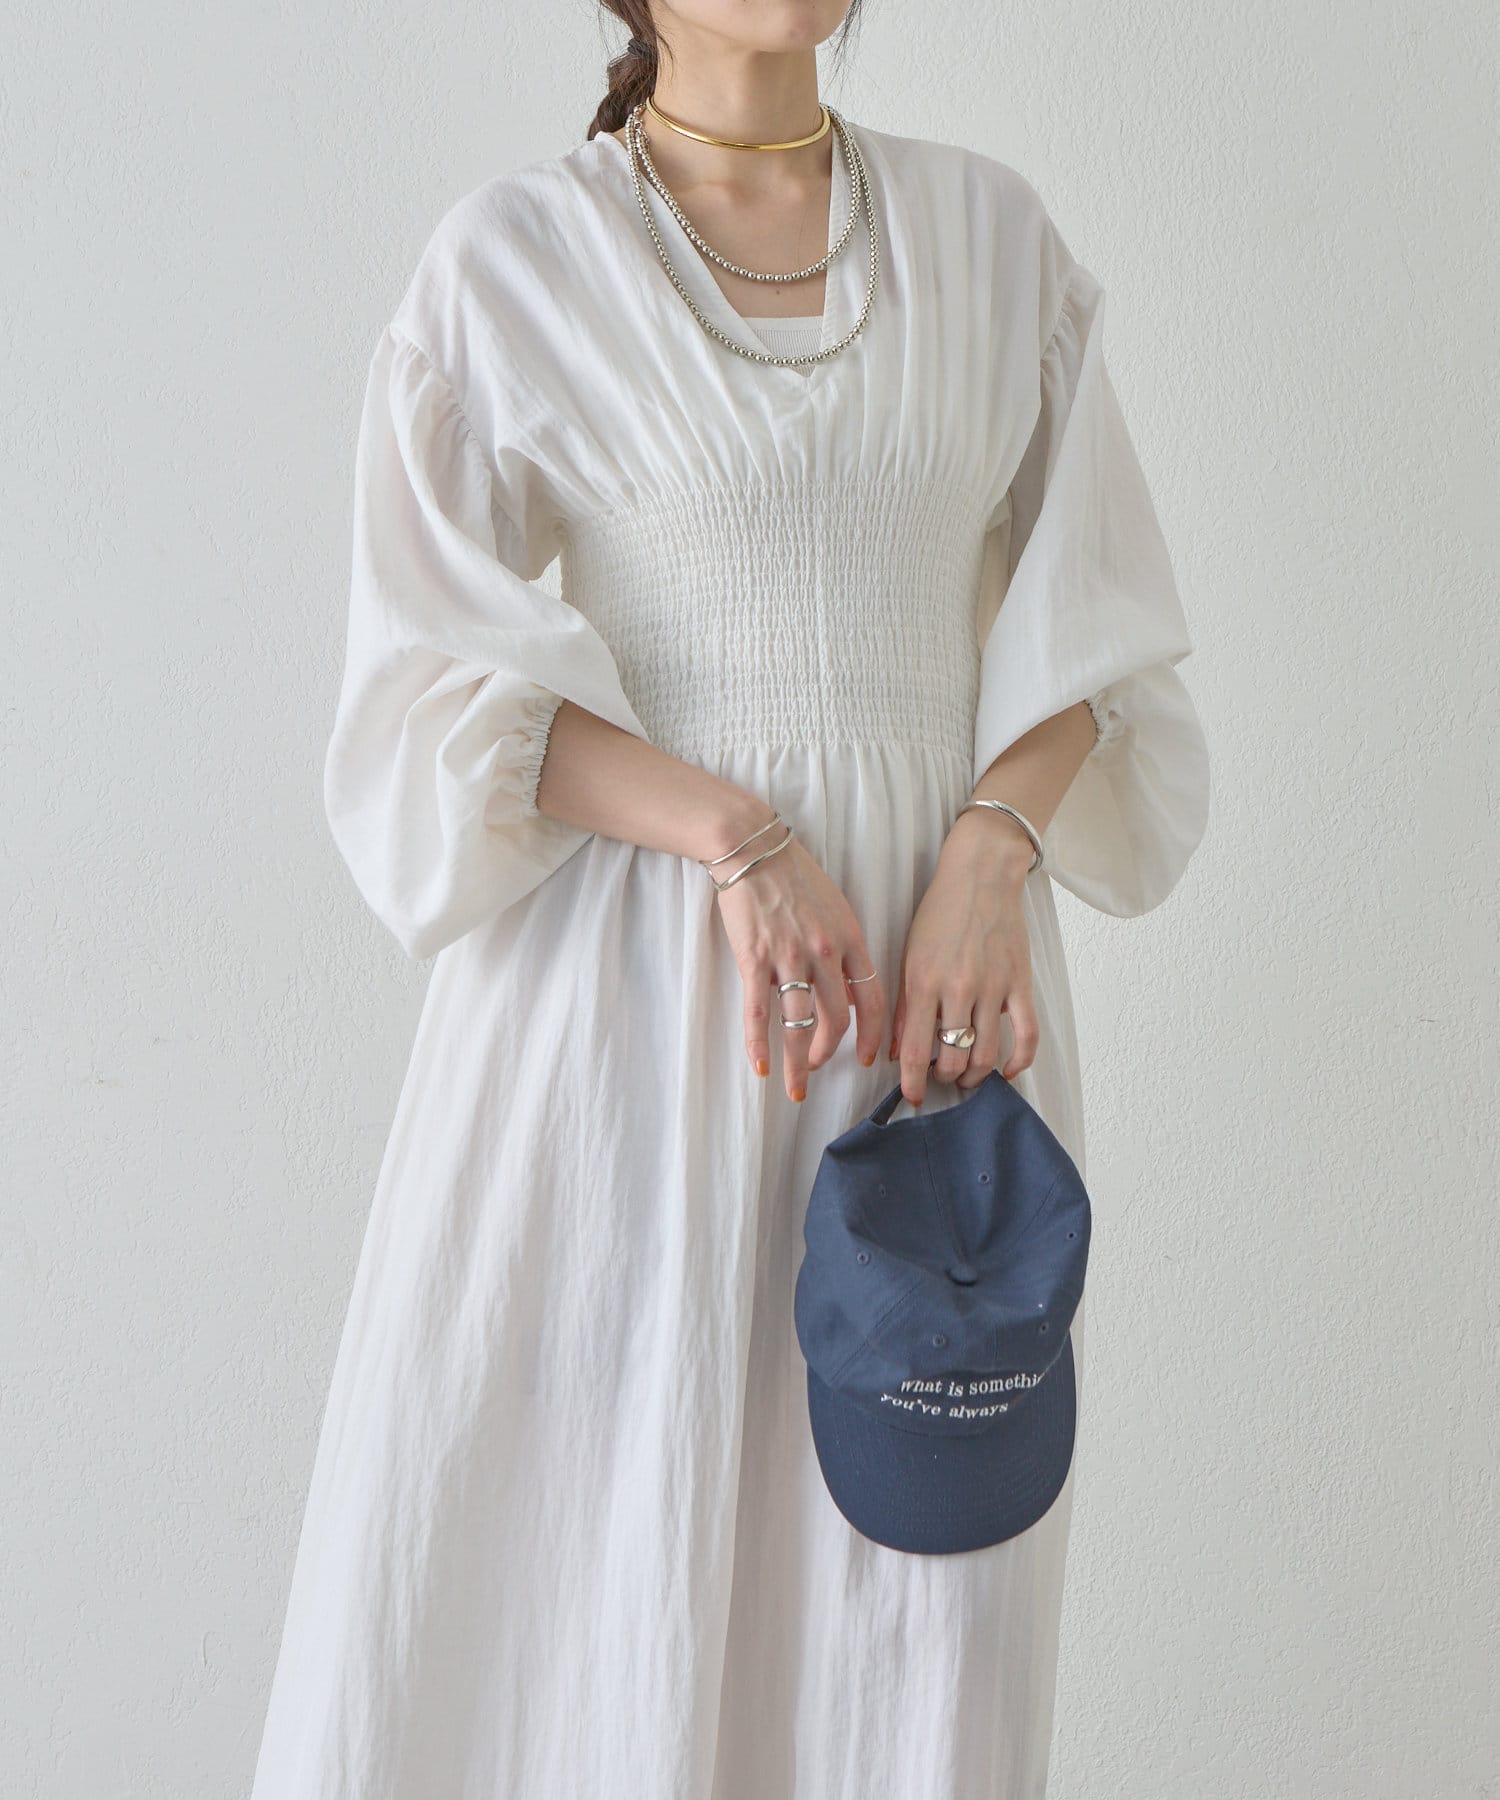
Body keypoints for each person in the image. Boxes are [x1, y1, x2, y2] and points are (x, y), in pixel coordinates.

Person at [249, 2, 1210, 1795]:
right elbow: (425, 694)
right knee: (598, 1571)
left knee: (922, 1612)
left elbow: (1098, 625)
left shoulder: (993, 239)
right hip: (631, 1010)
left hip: (930, 1025)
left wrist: (993, 846)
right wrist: (733, 835)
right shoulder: (514, 260)